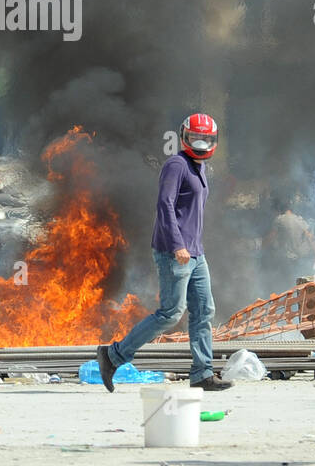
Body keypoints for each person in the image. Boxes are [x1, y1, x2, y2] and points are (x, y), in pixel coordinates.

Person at [97, 113, 229, 392]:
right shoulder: (176, 165)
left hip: (196, 253)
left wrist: (191, 248)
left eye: (206, 139)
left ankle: (203, 373)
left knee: (204, 310)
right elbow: (164, 206)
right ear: (184, 137)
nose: (201, 144)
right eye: (196, 138)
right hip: (175, 251)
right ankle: (113, 355)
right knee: (170, 313)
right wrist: (177, 244)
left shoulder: (200, 167)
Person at [262, 197, 315, 291]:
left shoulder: (279, 220)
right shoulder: (299, 220)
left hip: (286, 259)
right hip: (300, 258)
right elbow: (309, 238)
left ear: (279, 209)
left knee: (286, 285)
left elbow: (271, 237)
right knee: (299, 284)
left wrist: (262, 246)